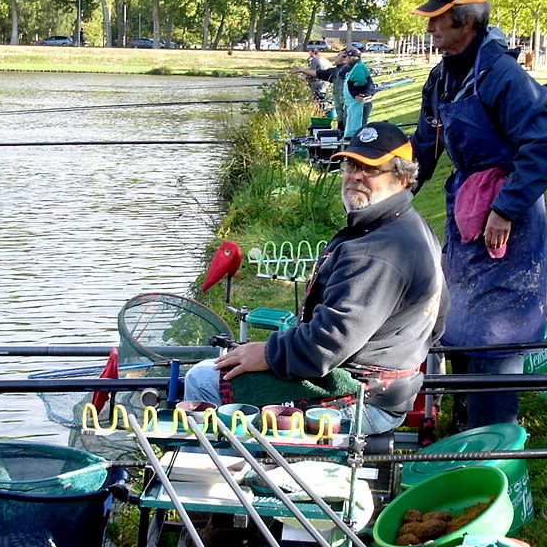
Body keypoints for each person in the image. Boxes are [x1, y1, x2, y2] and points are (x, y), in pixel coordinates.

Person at [184, 121, 446, 435]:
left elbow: (328, 343)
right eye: (351, 165)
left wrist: (268, 352)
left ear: (403, 178)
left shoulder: (379, 250)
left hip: (361, 399)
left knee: (201, 380)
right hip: (385, 387)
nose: (355, 176)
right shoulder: (411, 227)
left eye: (370, 169)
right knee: (224, 367)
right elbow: (439, 318)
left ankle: (213, 478)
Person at [409, 0, 547, 429]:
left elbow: (540, 147)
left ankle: (495, 430)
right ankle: (461, 420)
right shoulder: (440, 78)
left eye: (438, 20)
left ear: (466, 22)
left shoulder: (504, 76)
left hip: (507, 217)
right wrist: (394, 191)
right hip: (467, 213)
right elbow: (424, 146)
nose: (430, 29)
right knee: (457, 315)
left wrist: (506, 208)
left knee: (499, 326)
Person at [295, 45, 375, 139]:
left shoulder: (348, 69)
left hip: (355, 105)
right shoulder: (344, 69)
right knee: (348, 131)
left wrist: (360, 94)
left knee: (356, 131)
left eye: (338, 55)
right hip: (347, 107)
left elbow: (363, 83)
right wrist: (302, 70)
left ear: (347, 58)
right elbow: (320, 73)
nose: (336, 57)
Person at [305, 46, 331, 113]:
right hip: (326, 82)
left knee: (316, 98)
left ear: (313, 52)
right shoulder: (326, 60)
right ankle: (323, 111)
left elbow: (311, 71)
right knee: (322, 98)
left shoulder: (315, 60)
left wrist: (304, 77)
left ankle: (317, 112)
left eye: (309, 51)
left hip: (317, 82)